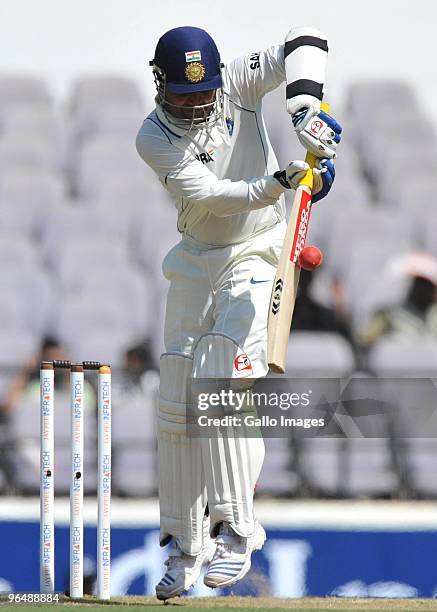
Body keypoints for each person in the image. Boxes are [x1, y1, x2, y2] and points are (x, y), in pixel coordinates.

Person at [136, 25, 342, 600]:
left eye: (203, 94)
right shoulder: (153, 136)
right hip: (196, 257)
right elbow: (210, 196)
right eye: (181, 94)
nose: (195, 105)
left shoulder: (239, 86)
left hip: (258, 249)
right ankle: (183, 543)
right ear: (160, 85)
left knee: (219, 372)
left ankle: (236, 526)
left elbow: (308, 40)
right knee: (177, 394)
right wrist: (283, 180)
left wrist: (303, 109)